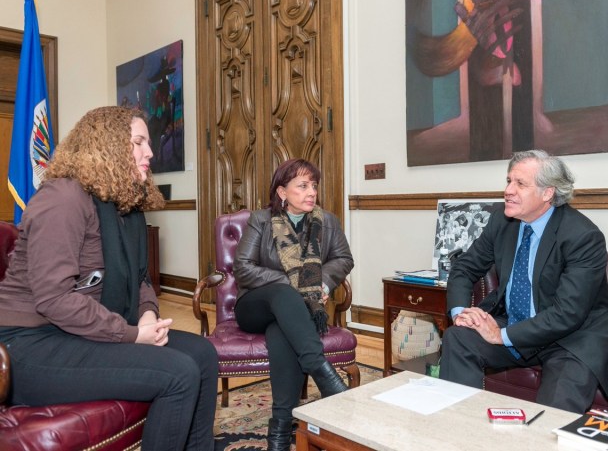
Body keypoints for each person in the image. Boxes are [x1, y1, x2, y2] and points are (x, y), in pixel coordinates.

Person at [0, 106, 218, 451]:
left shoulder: (124, 205)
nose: (149, 152)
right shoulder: (63, 199)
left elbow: (141, 278)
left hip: (80, 332)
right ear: (107, 146)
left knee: (203, 354)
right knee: (178, 373)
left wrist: (147, 314)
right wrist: (131, 335)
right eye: (138, 142)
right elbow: (53, 299)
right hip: (27, 343)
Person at [440, 149, 608, 413]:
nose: (508, 190)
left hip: (571, 339)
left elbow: (568, 314)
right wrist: (460, 314)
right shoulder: (503, 220)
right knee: (459, 338)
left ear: (548, 193)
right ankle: (458, 425)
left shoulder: (582, 236)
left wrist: (500, 335)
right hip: (517, 323)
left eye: (520, 184)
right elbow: (464, 267)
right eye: (508, 180)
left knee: (551, 420)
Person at [233, 158, 354, 451]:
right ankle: (322, 371)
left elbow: (343, 259)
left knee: (282, 332)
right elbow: (243, 267)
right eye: (302, 185)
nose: (311, 191)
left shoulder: (327, 221)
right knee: (286, 294)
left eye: (314, 185)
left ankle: (279, 430)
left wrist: (322, 284)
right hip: (255, 305)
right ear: (282, 192)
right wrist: (296, 284)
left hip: (294, 313)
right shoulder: (261, 220)